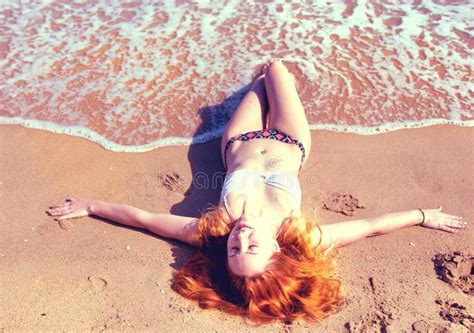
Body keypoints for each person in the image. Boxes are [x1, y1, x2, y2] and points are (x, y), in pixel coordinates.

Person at [47, 60, 467, 324]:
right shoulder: (304, 235)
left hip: (238, 141)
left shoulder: (208, 230)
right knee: (277, 69)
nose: (239, 237)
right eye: (251, 246)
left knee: (260, 77)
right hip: (291, 140)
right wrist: (422, 215)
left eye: (234, 250)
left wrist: (90, 205)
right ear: (276, 252)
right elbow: (372, 226)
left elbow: (142, 218)